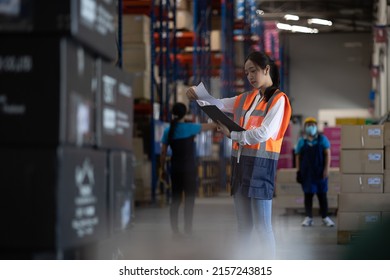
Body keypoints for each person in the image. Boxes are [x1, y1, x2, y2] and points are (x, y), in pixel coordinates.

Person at [186, 51, 292, 259]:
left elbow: (264, 133)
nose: (250, 76)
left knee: (263, 228)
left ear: (266, 69)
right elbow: (219, 104)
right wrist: (198, 96)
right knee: (244, 227)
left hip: (261, 167)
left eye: (253, 71)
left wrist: (232, 134)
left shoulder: (278, 100)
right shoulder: (248, 98)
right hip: (241, 165)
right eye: (246, 73)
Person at [160, 102, 216, 237]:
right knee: (189, 201)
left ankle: (175, 231)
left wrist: (162, 169)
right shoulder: (190, 128)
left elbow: (163, 154)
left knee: (175, 200)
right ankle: (188, 230)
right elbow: (211, 126)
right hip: (189, 170)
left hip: (175, 170)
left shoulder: (168, 130)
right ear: (185, 114)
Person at [294, 117, 335, 227]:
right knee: (308, 195)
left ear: (316, 127)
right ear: (305, 127)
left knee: (322, 195)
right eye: (308, 125)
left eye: (312, 125)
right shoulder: (302, 141)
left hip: (320, 172)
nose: (310, 127)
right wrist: (298, 171)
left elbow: (327, 154)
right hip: (307, 173)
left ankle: (325, 217)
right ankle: (308, 217)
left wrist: (326, 169)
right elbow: (297, 156)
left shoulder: (322, 139)